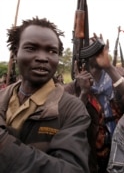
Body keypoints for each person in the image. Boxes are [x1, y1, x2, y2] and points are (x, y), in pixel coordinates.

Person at [0, 17, 91, 172]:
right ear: (15, 53)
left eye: (51, 51)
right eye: (31, 48)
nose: (42, 58)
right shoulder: (2, 98)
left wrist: (3, 144)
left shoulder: (71, 109)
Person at [64, 34, 124, 173]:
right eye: (91, 48)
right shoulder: (71, 89)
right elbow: (70, 125)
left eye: (99, 48)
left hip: (122, 150)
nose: (98, 52)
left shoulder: (117, 73)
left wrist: (109, 68)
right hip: (91, 158)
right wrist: (83, 92)